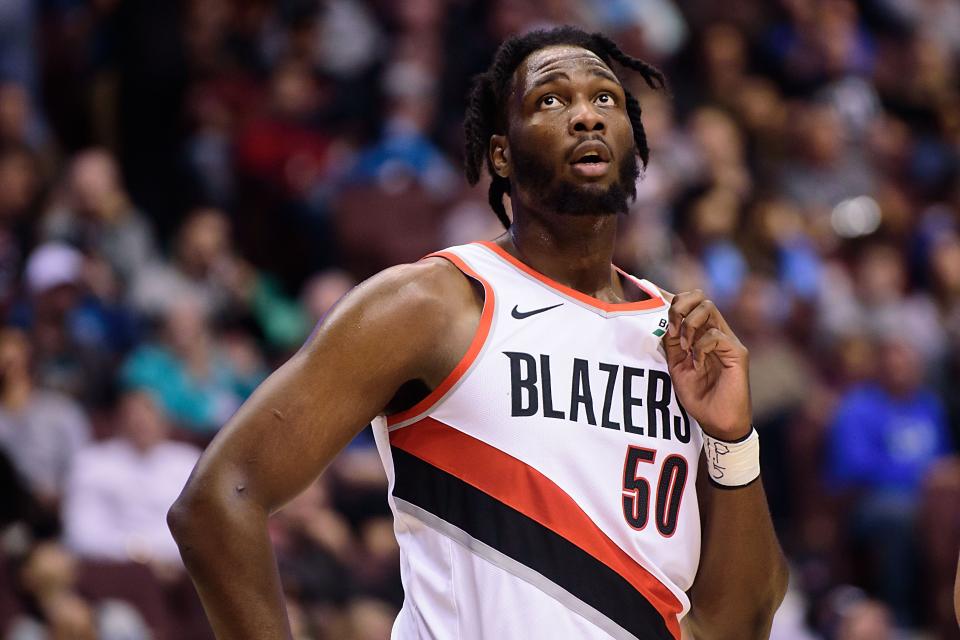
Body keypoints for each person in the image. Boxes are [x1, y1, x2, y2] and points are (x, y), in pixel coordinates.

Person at [169, 26, 788, 639]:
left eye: (607, 99)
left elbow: (740, 624)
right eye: (551, 100)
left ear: (635, 141)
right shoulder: (434, 302)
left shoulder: (679, 340)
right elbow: (220, 500)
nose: (587, 117)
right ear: (500, 153)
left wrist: (731, 439)